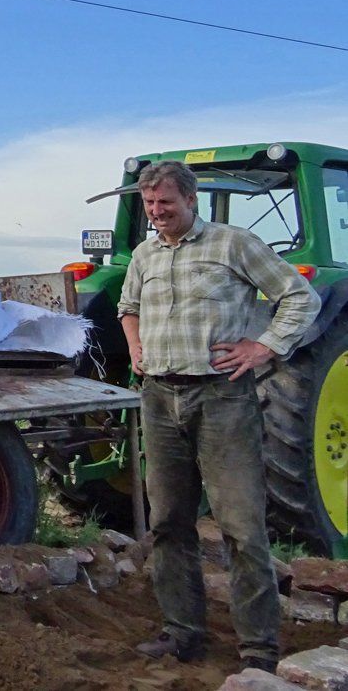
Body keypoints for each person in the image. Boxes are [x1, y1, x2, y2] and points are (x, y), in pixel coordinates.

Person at [119, 159, 317, 673]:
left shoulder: (234, 244)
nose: (157, 213)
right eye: (149, 204)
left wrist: (264, 347)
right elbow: (128, 306)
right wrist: (136, 348)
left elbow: (299, 296)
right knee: (168, 522)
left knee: (241, 527)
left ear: (191, 200)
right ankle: (182, 632)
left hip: (222, 399)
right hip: (160, 399)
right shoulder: (144, 254)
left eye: (166, 202)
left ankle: (258, 649)